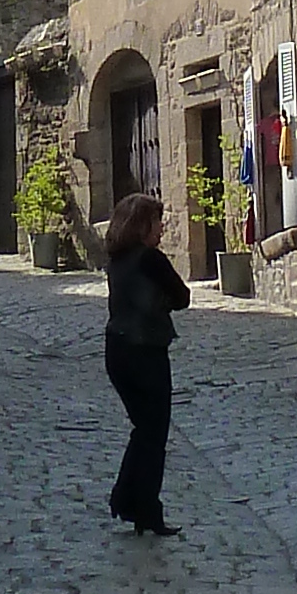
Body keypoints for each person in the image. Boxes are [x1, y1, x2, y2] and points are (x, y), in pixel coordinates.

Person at [104, 189, 187, 536]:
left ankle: (128, 500)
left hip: (117, 350)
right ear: (142, 226)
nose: (162, 229)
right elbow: (182, 296)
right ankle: (143, 508)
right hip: (146, 351)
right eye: (157, 222)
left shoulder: (117, 259)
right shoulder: (151, 259)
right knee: (154, 434)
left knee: (144, 430)